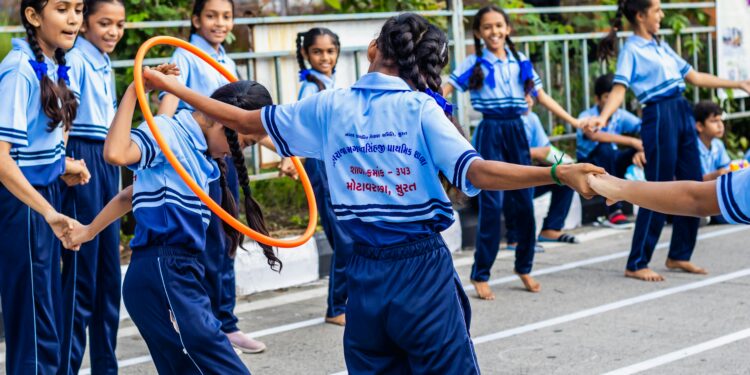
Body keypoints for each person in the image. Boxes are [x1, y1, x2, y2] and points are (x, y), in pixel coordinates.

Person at [145, 13, 604, 373]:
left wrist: (170, 86)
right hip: (421, 271)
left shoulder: (329, 105)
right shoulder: (421, 108)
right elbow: (479, 173)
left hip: (364, 275)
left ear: (371, 50)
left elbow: (244, 121)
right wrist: (556, 172)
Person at [69, 66, 283, 374]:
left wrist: (88, 231)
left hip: (177, 271)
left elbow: (132, 194)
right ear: (222, 122)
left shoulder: (198, 152)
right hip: (163, 271)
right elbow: (116, 153)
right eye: (244, 145)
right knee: (220, 362)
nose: (239, 156)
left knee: (187, 367)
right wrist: (135, 89)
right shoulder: (171, 134)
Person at [594, 0, 750, 281]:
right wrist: (603, 117)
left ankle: (679, 254)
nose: (662, 15)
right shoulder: (631, 50)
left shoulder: (660, 45)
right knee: (657, 186)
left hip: (680, 110)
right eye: (657, 10)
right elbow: (619, 89)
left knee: (694, 181)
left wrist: (737, 83)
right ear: (641, 16)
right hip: (658, 114)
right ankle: (637, 261)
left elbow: (694, 77)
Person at [444, 5, 590, 298]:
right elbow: (445, 88)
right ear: (478, 32)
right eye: (487, 27)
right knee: (492, 205)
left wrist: (574, 122)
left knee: (524, 201)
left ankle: (524, 265)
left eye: (499, 25)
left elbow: (542, 96)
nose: (494, 32)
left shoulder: (520, 61)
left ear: (508, 29)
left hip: (517, 132)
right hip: (491, 132)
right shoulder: (473, 64)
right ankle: (480, 273)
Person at [157, 0, 267, 353]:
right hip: (198, 157)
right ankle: (202, 323)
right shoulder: (187, 55)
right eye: (211, 16)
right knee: (203, 239)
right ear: (195, 19)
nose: (219, 23)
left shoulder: (227, 60)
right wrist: (165, 146)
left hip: (226, 156)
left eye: (226, 16)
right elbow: (169, 104)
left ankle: (225, 322)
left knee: (226, 237)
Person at [0, 1, 90, 373]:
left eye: (79, 8)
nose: (73, 18)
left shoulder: (54, 65)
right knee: (35, 325)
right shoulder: (19, 70)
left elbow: (34, 145)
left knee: (47, 316)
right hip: (25, 206)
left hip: (44, 196)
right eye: (61, 8)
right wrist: (48, 211)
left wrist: (63, 166)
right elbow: (3, 158)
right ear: (34, 17)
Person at [58, 1, 125, 373]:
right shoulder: (77, 59)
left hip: (105, 158)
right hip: (82, 155)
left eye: (119, 24)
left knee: (107, 274)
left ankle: (105, 365)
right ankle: (66, 367)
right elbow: (66, 118)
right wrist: (64, 161)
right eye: (104, 23)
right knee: (82, 272)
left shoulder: (102, 60)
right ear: (85, 25)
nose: (113, 31)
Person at [295, 27, 353, 326]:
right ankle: (336, 307)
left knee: (347, 234)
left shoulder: (330, 83)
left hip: (336, 163)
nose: (325, 57)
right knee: (344, 238)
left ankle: (345, 301)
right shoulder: (310, 88)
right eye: (317, 51)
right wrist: (292, 159)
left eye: (330, 51)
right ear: (306, 54)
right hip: (321, 165)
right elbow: (301, 125)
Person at [505, 104, 577, 250]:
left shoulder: (531, 119)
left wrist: (567, 163)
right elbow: (497, 161)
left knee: (566, 176)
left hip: (524, 173)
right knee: (512, 183)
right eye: (524, 94)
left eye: (531, 95)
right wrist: (534, 153)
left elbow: (546, 150)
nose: (530, 100)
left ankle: (551, 229)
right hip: (498, 183)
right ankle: (515, 238)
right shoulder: (499, 121)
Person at [577, 73, 642, 229]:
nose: (611, 101)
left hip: (612, 162)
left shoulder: (620, 115)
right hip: (590, 165)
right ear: (597, 99)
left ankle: (656, 202)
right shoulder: (587, 116)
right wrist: (632, 141)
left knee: (637, 151)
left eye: (614, 96)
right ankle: (613, 211)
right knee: (605, 148)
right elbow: (594, 135)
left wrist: (641, 149)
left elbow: (643, 127)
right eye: (607, 96)